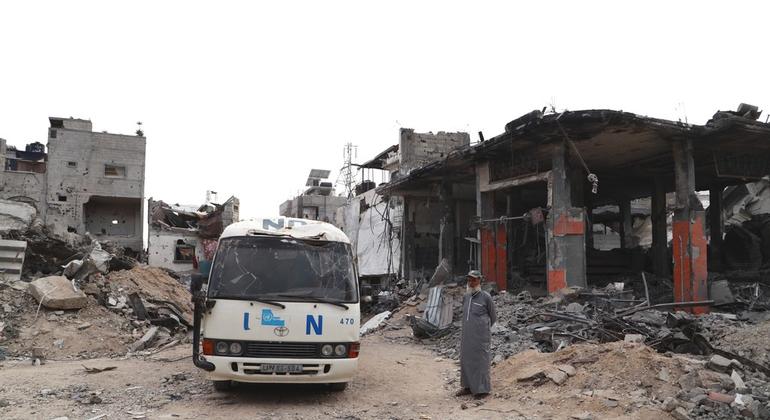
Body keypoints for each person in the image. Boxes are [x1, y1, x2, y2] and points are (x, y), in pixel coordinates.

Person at [456, 270, 496, 398]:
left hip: (480, 337)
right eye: (469, 280)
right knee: (466, 360)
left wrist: (481, 329)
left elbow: (493, 317)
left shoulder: (486, 297)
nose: (471, 282)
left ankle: (482, 390)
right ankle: (467, 387)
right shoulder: (466, 297)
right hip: (467, 336)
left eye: (473, 280)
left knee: (480, 362)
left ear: (479, 280)